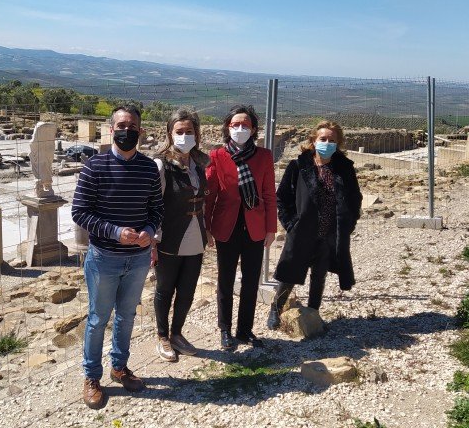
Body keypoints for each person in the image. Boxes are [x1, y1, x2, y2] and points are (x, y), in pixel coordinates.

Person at [71, 104, 164, 409]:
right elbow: (79, 212)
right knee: (98, 319)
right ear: (111, 130)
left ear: (141, 131)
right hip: (105, 258)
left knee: (127, 316)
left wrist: (149, 230)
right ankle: (91, 377)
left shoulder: (149, 168)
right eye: (121, 126)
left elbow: (156, 209)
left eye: (132, 126)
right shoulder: (94, 166)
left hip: (137, 258)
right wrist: (114, 231)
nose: (127, 131)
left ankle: (119, 367)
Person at [267, 120, 362, 330]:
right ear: (313, 140)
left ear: (338, 143)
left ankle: (313, 312)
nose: (327, 143)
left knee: (319, 274)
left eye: (331, 140)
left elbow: (355, 198)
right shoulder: (298, 166)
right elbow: (282, 197)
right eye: (323, 139)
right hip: (302, 230)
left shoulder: (344, 168)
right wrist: (290, 223)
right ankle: (276, 308)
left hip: (329, 231)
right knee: (289, 271)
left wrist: (348, 223)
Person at [205, 104, 277, 350]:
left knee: (251, 281)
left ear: (254, 129)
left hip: (255, 226)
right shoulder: (217, 156)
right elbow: (210, 195)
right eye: (235, 124)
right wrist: (207, 227)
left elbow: (269, 194)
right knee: (225, 280)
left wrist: (271, 228)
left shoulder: (264, 156)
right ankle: (225, 330)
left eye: (245, 124)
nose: (240, 128)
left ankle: (244, 330)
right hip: (226, 226)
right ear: (228, 127)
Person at [151, 108, 210, 362]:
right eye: (179, 131)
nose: (185, 136)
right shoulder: (161, 165)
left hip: (195, 237)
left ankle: (177, 333)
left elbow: (202, 200)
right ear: (170, 134)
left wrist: (207, 230)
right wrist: (153, 241)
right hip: (170, 238)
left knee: (187, 291)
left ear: (197, 134)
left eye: (189, 131)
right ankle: (162, 336)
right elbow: (153, 205)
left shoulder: (199, 164)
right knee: (165, 289)